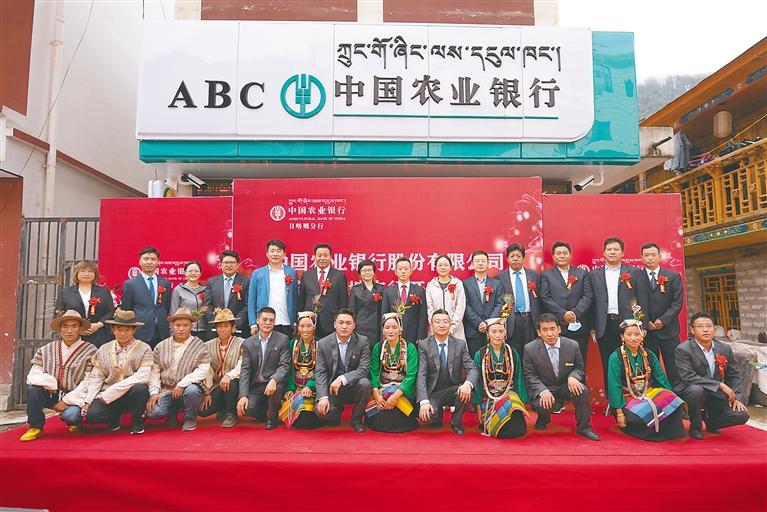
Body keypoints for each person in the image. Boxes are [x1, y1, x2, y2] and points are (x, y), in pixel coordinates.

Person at [20, 310, 97, 442]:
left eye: (74, 326)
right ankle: (35, 426)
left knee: (72, 416)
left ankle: (74, 421)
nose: (69, 331)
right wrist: (51, 384)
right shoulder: (46, 349)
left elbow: (89, 381)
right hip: (51, 393)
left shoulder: (91, 350)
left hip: (75, 396)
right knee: (33, 389)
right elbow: (34, 374)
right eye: (65, 326)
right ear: (60, 329)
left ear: (80, 329)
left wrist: (66, 400)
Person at [523, 313, 600, 441]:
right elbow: (530, 375)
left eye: (553, 329)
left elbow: (579, 368)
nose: (550, 334)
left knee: (583, 391)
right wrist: (543, 391)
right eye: (545, 330)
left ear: (559, 329)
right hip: (545, 387)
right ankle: (543, 417)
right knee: (542, 402)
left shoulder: (572, 345)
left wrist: (573, 377)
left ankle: (584, 428)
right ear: (539, 332)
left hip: (565, 385)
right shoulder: (530, 349)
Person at [607, 319, 685, 441]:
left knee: (673, 404)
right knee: (637, 419)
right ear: (622, 337)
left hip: (648, 393)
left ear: (642, 336)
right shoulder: (615, 357)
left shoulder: (649, 355)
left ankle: (665, 431)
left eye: (637, 334)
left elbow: (661, 379)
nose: (633, 338)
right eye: (629, 334)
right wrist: (619, 413)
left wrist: (671, 400)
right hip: (627, 396)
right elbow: (614, 386)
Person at [674, 312, 749, 440]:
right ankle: (695, 426)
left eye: (708, 326)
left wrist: (736, 397)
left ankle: (711, 421)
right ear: (692, 330)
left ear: (714, 329)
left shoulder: (724, 348)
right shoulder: (683, 349)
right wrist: (720, 385)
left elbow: (734, 375)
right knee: (696, 390)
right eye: (700, 326)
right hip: (691, 391)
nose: (705, 330)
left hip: (715, 394)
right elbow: (688, 376)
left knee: (742, 415)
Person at [81, 310, 152, 435]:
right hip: (107, 393)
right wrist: (88, 400)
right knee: (92, 415)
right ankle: (114, 417)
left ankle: (138, 421)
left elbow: (143, 376)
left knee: (141, 388)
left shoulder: (144, 348)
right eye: (119, 329)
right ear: (113, 330)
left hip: (130, 393)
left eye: (127, 330)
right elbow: (97, 377)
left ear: (134, 330)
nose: (123, 333)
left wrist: (113, 392)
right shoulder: (104, 349)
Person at [145, 307, 211, 432]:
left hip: (187, 388)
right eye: (178, 325)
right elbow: (155, 371)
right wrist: (154, 392)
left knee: (192, 391)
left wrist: (182, 384)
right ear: (172, 326)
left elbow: (202, 370)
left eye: (185, 325)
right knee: (153, 413)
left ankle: (190, 418)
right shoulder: (161, 346)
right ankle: (172, 412)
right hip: (166, 389)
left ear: (191, 326)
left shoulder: (200, 346)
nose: (181, 329)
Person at [588, 237, 642, 386]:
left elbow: (642, 298)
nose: (612, 252)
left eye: (616, 249)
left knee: (629, 361)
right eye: (609, 249)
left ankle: (632, 394)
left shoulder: (635, 272)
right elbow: (591, 303)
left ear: (622, 253)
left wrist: (641, 324)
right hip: (604, 324)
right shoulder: (594, 275)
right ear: (603, 253)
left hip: (628, 324)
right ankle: (611, 396)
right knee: (607, 363)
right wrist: (592, 326)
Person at [416, 309, 478, 436]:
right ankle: (437, 414)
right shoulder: (424, 345)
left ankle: (456, 421)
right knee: (429, 418)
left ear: (450, 324)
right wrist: (424, 401)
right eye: (437, 322)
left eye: (445, 322)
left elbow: (472, 368)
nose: (442, 325)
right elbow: (421, 374)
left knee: (467, 392)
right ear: (431, 325)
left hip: (452, 390)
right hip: (433, 392)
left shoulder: (460, 344)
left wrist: (468, 384)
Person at [314, 309, 371, 433]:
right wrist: (323, 397)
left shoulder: (362, 341)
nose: (344, 326)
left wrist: (342, 379)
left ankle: (357, 420)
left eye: (348, 323)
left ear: (354, 325)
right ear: (335, 324)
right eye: (341, 322)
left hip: (353, 386)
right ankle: (335, 411)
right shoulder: (323, 344)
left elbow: (364, 369)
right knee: (322, 413)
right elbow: (320, 372)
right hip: (332, 390)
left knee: (365, 384)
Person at [636, 242, 684, 385]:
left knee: (674, 367)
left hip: (669, 330)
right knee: (649, 368)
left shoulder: (673, 276)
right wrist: (645, 323)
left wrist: (663, 320)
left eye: (653, 255)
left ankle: (676, 394)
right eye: (646, 255)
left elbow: (677, 302)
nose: (650, 258)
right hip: (647, 333)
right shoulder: (636, 277)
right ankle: (654, 395)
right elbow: (633, 302)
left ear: (659, 256)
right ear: (641, 258)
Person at [473, 317, 529, 439]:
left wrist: (522, 402)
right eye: (493, 332)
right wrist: (477, 407)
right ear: (487, 334)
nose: (497, 335)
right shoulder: (480, 354)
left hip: (509, 397)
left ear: (505, 333)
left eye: (501, 331)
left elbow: (519, 378)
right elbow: (477, 382)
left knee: (517, 426)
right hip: (488, 399)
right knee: (497, 427)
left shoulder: (512, 353)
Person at [237, 307, 291, 430]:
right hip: (256, 384)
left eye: (271, 320)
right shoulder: (248, 343)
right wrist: (243, 395)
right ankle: (266, 411)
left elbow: (284, 365)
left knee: (276, 388)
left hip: (274, 382)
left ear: (275, 322)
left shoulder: (282, 339)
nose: (267, 323)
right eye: (264, 319)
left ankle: (272, 418)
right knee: (248, 409)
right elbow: (245, 370)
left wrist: (274, 379)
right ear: (257, 320)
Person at [540, 242, 593, 364]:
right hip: (557, 326)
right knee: (558, 363)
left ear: (570, 255)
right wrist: (563, 314)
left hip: (578, 325)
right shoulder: (546, 275)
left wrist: (574, 313)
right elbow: (545, 297)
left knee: (580, 361)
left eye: (565, 253)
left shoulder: (582, 274)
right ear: (553, 256)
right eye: (558, 253)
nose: (562, 256)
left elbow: (588, 296)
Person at [366, 313, 418, 433]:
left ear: (400, 329)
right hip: (382, 389)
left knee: (397, 408)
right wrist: (377, 396)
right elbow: (373, 373)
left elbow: (411, 376)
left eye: (394, 327)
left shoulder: (410, 348)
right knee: (378, 410)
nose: (390, 331)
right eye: (387, 327)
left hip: (402, 391)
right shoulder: (378, 347)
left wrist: (395, 396)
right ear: (383, 331)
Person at [199, 308, 244, 428]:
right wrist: (207, 391)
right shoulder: (208, 345)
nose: (222, 329)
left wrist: (229, 376)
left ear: (233, 328)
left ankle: (231, 413)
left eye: (226, 326)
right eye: (219, 326)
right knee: (203, 411)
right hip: (217, 384)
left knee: (231, 384)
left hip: (235, 383)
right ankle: (223, 407)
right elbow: (207, 369)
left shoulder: (242, 343)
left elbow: (242, 365)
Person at [54, 260, 115, 347]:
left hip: (100, 336)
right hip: (74, 337)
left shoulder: (103, 291)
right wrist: (78, 329)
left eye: (90, 271)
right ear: (77, 273)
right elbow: (59, 313)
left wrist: (98, 325)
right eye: (83, 271)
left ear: (95, 274)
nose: (86, 274)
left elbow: (110, 312)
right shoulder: (66, 292)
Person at [120, 246, 172, 348]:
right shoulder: (130, 284)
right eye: (146, 259)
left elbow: (166, 306)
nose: (149, 262)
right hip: (140, 331)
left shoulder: (165, 283)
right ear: (140, 261)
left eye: (153, 259)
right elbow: (127, 309)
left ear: (158, 262)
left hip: (161, 331)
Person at [247, 240, 297, 339]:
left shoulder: (291, 272)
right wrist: (253, 323)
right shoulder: (257, 273)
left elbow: (295, 299)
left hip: (286, 321)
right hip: (265, 322)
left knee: (285, 348)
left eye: (278, 251)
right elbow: (251, 301)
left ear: (284, 254)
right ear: (267, 254)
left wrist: (295, 321)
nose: (275, 254)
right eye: (272, 251)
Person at [281, 311, 322, 429]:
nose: (305, 330)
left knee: (307, 419)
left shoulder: (321, 345)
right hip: (296, 387)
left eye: (309, 326)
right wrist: (290, 388)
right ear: (297, 328)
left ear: (314, 327)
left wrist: (310, 386)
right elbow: (288, 368)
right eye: (301, 326)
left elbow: (322, 370)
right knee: (297, 418)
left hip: (314, 389)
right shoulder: (292, 344)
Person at [298, 244, 348, 339]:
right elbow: (301, 300)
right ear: (314, 257)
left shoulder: (339, 276)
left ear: (330, 257)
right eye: (319, 255)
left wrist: (341, 320)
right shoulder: (306, 275)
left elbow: (343, 301)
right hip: (309, 321)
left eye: (325, 255)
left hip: (331, 321)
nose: (322, 258)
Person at [498, 243, 541, 354]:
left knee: (532, 353)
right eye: (512, 256)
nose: (515, 259)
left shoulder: (534, 275)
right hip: (512, 320)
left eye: (518, 256)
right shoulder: (500, 277)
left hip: (531, 319)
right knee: (514, 353)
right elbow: (500, 302)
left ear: (523, 258)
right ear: (507, 259)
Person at [462, 250, 503, 357]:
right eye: (477, 261)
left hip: (492, 331)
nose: (480, 263)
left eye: (483, 261)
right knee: (474, 361)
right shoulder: (465, 284)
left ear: (488, 263)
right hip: (473, 330)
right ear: (472, 264)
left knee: (492, 360)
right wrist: (478, 323)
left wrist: (488, 323)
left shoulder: (496, 283)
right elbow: (465, 305)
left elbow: (499, 304)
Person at [381, 257, 428, 344]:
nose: (403, 271)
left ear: (411, 271)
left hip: (413, 334)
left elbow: (422, 315)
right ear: (395, 271)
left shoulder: (419, 290)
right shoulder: (388, 291)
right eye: (400, 269)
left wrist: (421, 336)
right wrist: (384, 335)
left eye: (406, 269)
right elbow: (384, 314)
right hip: (393, 334)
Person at [205, 250, 249, 336]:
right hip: (215, 329)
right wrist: (217, 322)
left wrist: (235, 324)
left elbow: (247, 306)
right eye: (226, 262)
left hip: (237, 330)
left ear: (238, 265)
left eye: (232, 262)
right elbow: (207, 306)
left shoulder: (246, 282)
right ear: (221, 264)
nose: (229, 265)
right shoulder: (212, 282)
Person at [425, 254, 466, 340]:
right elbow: (430, 309)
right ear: (436, 267)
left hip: (455, 331)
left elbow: (460, 308)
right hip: (436, 331)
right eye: (440, 265)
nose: (443, 267)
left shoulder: (458, 284)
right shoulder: (431, 285)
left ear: (450, 267)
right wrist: (436, 326)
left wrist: (451, 329)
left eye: (446, 265)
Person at [348, 259, 385, 344]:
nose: (367, 273)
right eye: (364, 270)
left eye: (370, 270)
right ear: (360, 273)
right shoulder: (355, 289)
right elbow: (352, 311)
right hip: (361, 327)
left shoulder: (381, 289)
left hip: (377, 327)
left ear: (374, 272)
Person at [170, 260, 209, 338]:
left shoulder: (206, 290)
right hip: (185, 331)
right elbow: (173, 313)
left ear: (200, 273)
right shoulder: (178, 290)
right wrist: (172, 334)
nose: (193, 273)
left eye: (196, 271)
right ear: (185, 273)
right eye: (190, 271)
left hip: (204, 331)